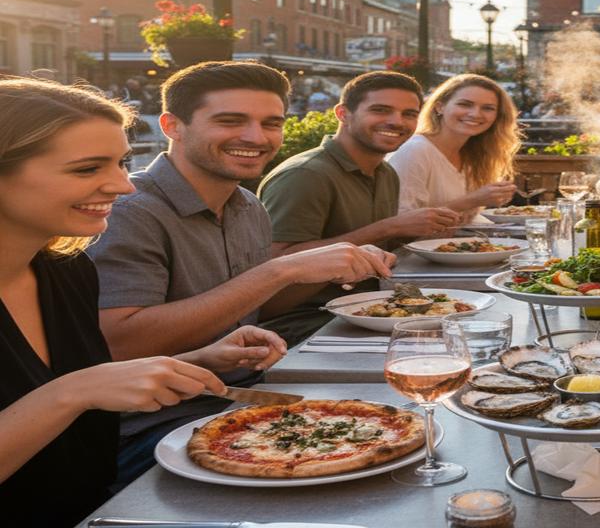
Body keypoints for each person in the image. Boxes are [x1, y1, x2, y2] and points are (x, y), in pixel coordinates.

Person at [0, 78, 287, 526]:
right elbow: (73, 392)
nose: (124, 186)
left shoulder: (66, 270)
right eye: (86, 169)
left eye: (121, 163)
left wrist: (189, 362)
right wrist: (73, 392)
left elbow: (87, 394)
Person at [89, 61, 394, 481]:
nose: (256, 137)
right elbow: (122, 343)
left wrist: (325, 270)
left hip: (243, 397)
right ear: (172, 126)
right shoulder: (130, 212)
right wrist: (280, 270)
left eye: (271, 123)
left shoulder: (247, 205)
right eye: (230, 121)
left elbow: (255, 308)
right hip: (150, 426)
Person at [257, 71, 461, 343]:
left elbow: (377, 248)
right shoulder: (306, 175)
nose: (396, 121)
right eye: (380, 110)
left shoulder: (385, 172)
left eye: (409, 114)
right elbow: (276, 265)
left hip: (371, 307)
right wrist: (389, 227)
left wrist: (418, 233)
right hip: (304, 322)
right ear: (343, 114)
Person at [386, 73, 519, 220]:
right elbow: (402, 221)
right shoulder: (415, 151)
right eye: (465, 104)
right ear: (440, 107)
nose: (475, 114)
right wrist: (473, 200)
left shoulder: (475, 154)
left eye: (488, 108)